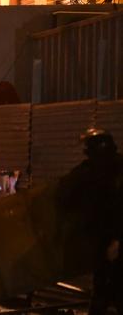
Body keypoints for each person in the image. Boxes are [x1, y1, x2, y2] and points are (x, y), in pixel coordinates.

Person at [58, 128, 123, 314]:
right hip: (105, 241)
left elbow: (63, 194)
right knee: (108, 290)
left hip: (109, 241)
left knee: (106, 290)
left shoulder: (91, 171)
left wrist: (117, 240)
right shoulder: (92, 171)